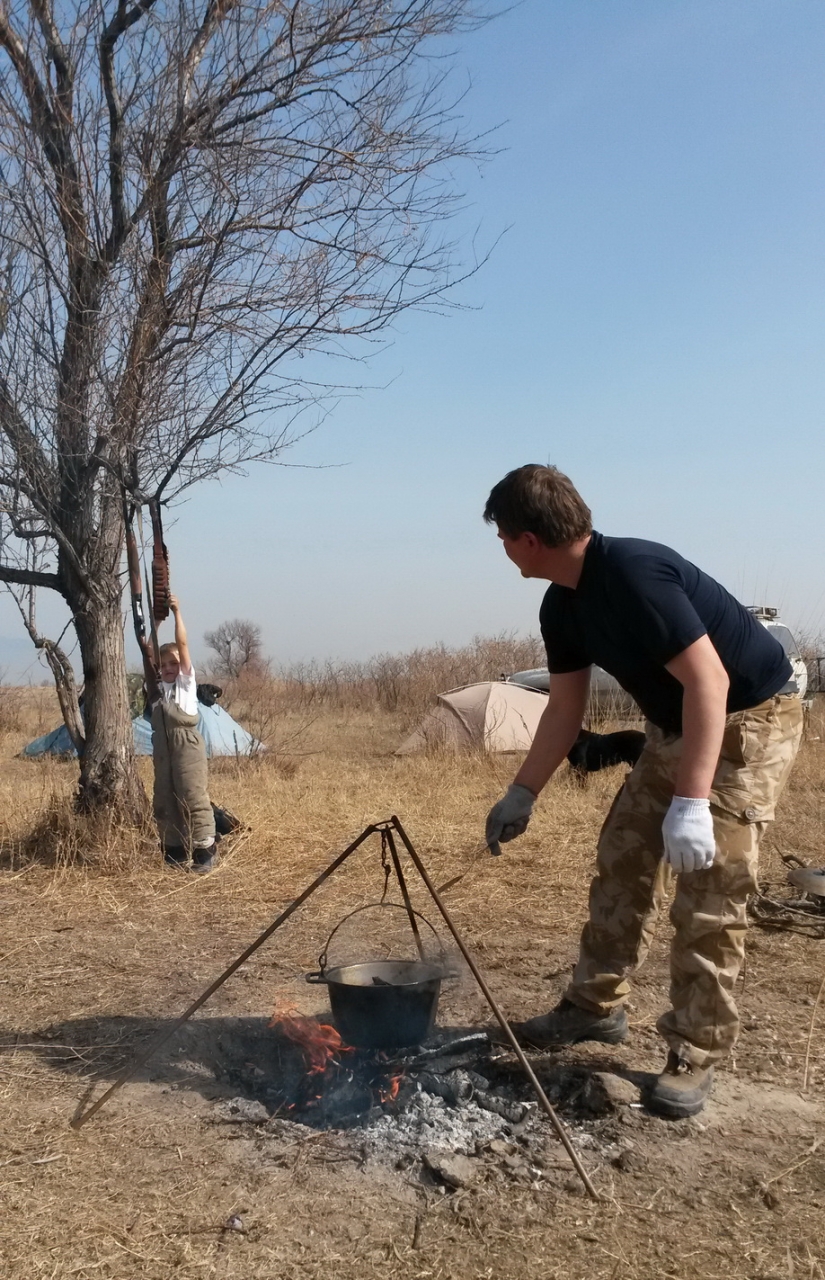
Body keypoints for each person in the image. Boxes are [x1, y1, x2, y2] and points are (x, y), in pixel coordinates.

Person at [484, 465, 802, 1118]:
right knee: (623, 854)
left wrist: (690, 805)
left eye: (503, 537)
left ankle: (695, 1050)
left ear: (529, 540)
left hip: (747, 721)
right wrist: (522, 792)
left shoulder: (633, 574)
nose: (502, 549)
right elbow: (564, 710)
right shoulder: (561, 604)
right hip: (673, 726)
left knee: (709, 888)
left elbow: (709, 683)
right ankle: (593, 1007)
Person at [144, 596, 218, 874]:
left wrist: (176, 613)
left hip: (187, 747)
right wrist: (157, 619)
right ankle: (173, 851)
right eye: (164, 666)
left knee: (192, 797)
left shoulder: (185, 685)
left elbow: (183, 646)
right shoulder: (156, 690)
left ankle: (205, 850)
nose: (168, 669)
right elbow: (147, 651)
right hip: (162, 751)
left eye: (173, 664)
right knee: (164, 799)